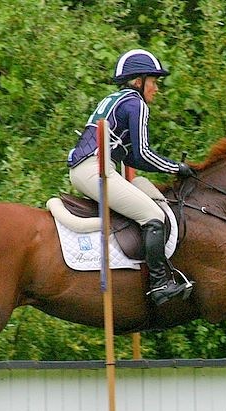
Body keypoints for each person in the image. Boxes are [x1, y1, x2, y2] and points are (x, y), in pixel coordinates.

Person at [67, 49, 194, 306]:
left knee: (144, 191)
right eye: (153, 82)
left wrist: (171, 167)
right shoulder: (136, 104)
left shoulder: (116, 99)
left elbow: (133, 158)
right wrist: (176, 168)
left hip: (88, 168)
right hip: (96, 170)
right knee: (154, 216)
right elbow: (144, 154)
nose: (156, 89)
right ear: (138, 81)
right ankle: (159, 285)